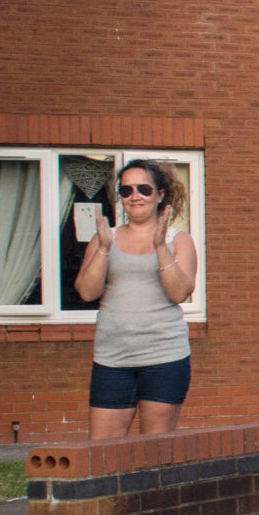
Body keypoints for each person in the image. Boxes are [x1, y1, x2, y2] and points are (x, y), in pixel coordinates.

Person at [74, 157, 198, 436]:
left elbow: (179, 291)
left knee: (155, 451)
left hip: (164, 357)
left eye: (143, 189)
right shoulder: (104, 237)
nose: (135, 196)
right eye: (126, 190)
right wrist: (104, 248)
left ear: (160, 194)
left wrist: (159, 247)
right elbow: (87, 292)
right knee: (103, 452)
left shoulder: (178, 240)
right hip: (112, 359)